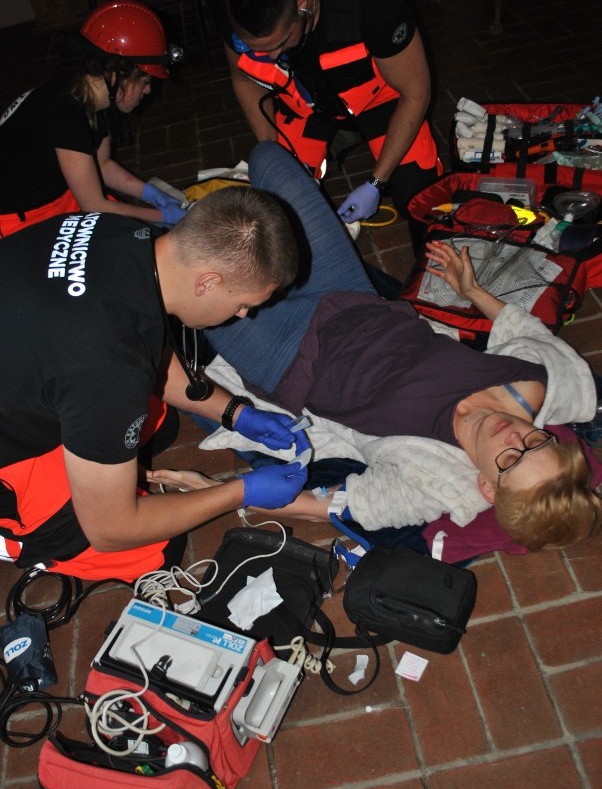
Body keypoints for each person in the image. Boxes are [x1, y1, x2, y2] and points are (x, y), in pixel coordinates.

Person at [153, 141, 601, 552]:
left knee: (174, 280)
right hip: (350, 295)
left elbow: (326, 506)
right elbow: (524, 330)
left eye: (512, 459)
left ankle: (178, 231)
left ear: (488, 487)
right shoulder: (539, 382)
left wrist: (216, 493)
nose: (514, 436)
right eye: (537, 440)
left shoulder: (436, 484)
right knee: (268, 157)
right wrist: (473, 291)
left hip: (284, 359)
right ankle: (199, 228)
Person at [0, 181, 310, 582]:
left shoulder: (120, 232)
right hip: (18, 443)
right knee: (154, 548)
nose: (243, 315)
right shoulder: (105, 366)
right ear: (207, 283)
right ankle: (15, 536)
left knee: (159, 426)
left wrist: (235, 413)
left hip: (34, 355)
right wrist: (241, 491)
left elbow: (143, 346)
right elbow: (111, 529)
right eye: (243, 304)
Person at [215, 0, 439, 222]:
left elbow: (416, 94)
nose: (273, 57)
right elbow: (244, 80)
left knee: (416, 198)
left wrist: (376, 184)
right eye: (260, 50)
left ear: (301, 3)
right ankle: (339, 138)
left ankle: (349, 134)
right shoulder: (240, 5)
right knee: (282, 201)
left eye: (281, 43)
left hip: (378, 98)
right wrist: (271, 149)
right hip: (304, 105)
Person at [0, 0, 188, 239]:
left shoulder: (98, 95)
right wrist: (161, 216)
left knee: (139, 235)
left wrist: (152, 195)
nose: (148, 90)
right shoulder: (65, 115)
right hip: (18, 218)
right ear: (118, 74)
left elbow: (103, 165)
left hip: (61, 195)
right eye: (145, 81)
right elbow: (94, 205)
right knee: (133, 241)